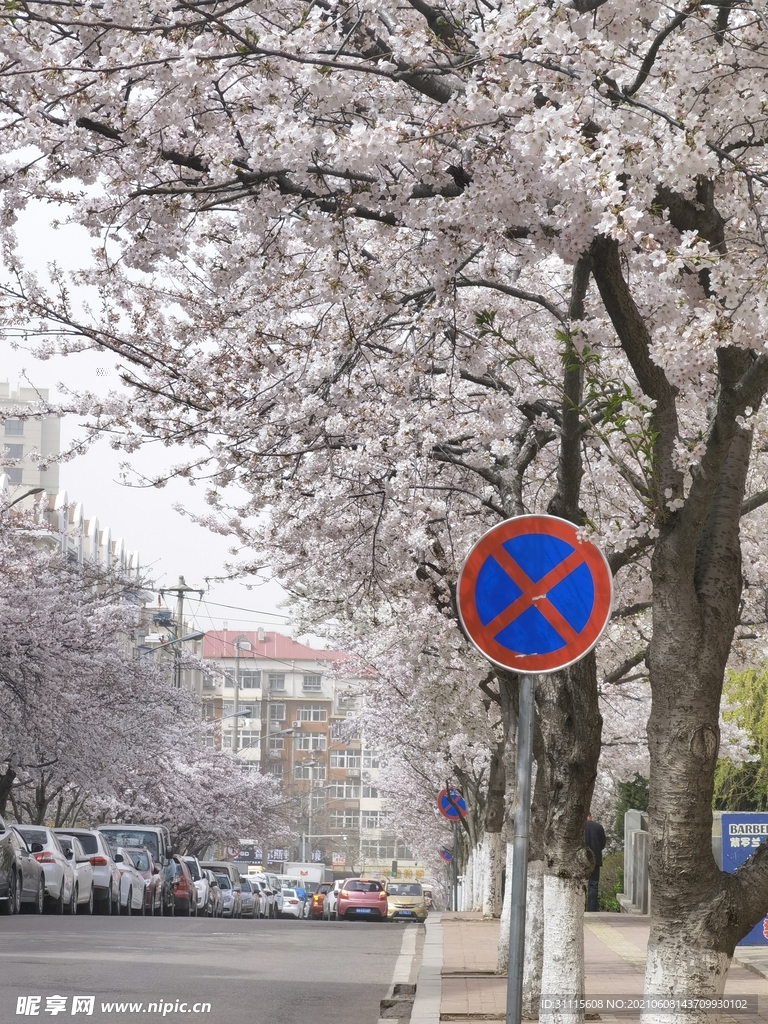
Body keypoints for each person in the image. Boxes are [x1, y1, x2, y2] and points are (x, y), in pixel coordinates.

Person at [585, 814, 606, 912]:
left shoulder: (579, 827)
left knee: (579, 884)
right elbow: (603, 843)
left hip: (581, 859)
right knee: (593, 884)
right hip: (595, 859)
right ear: (590, 816)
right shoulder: (598, 827)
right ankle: (592, 909)